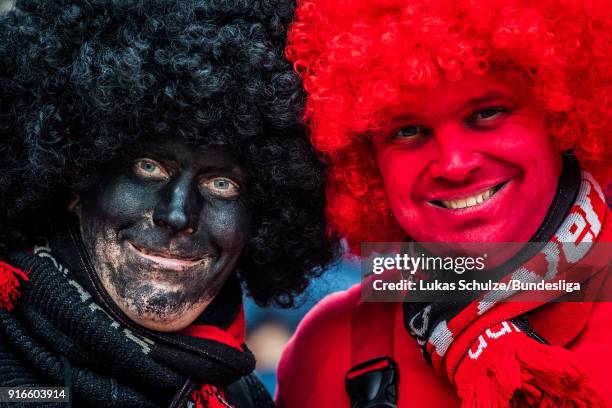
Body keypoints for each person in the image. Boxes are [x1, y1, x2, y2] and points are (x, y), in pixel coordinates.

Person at [0, 1, 338, 407]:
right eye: (149, 167)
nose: (177, 215)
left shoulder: (241, 396)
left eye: (221, 183)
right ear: (76, 180)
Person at [277, 0, 612, 406]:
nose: (454, 165)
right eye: (409, 130)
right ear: (366, 161)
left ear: (560, 111)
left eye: (487, 113)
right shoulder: (328, 350)